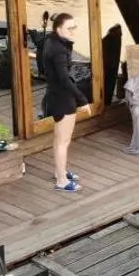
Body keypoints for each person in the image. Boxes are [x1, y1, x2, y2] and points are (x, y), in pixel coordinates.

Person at [39, 12, 89, 192]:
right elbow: (65, 80)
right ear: (59, 29)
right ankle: (61, 181)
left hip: (54, 95)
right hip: (62, 99)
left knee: (59, 139)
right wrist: (82, 99)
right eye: (69, 28)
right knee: (63, 141)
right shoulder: (59, 50)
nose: (73, 31)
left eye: (74, 27)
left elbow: (44, 69)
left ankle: (59, 171)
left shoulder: (49, 42)